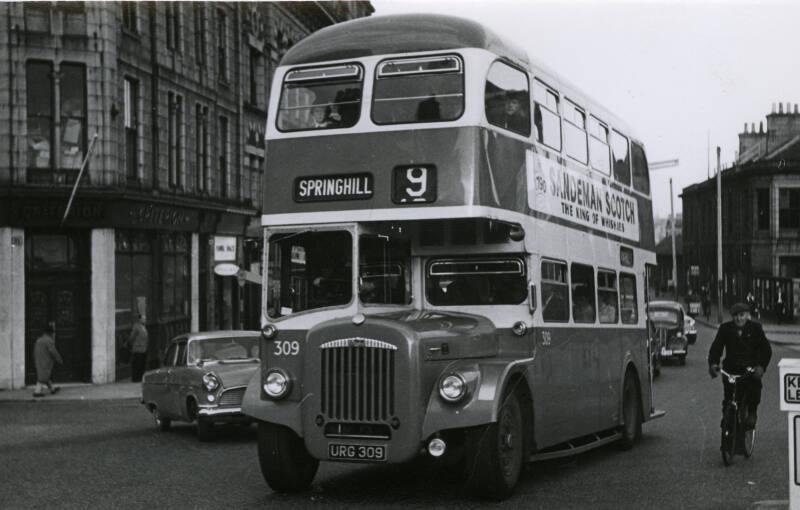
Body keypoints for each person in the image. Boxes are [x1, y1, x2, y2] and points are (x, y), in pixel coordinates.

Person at [708, 302, 772, 431]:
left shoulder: (756, 328)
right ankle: (726, 429)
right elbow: (716, 348)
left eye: (742, 315)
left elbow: (766, 350)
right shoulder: (725, 329)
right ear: (732, 317)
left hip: (749, 369)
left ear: (747, 315)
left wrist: (761, 366)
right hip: (731, 369)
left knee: (754, 387)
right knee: (728, 399)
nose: (739, 319)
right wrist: (713, 364)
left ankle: (752, 412)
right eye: (736, 316)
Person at [33, 323, 62, 397]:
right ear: (51, 333)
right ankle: (37, 391)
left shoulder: (39, 340)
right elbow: (53, 352)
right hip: (46, 361)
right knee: (43, 377)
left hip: (39, 360)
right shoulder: (49, 341)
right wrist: (59, 359)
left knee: (46, 376)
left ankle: (52, 389)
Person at [126, 314, 149, 382]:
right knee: (137, 365)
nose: (144, 320)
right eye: (143, 319)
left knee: (142, 365)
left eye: (145, 319)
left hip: (143, 350)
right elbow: (131, 337)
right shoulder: (136, 327)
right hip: (137, 350)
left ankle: (140, 377)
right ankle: (136, 379)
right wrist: (130, 344)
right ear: (139, 319)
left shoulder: (143, 327)